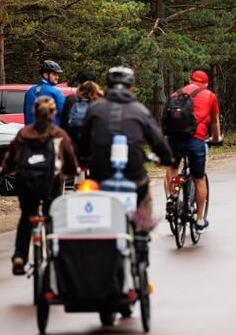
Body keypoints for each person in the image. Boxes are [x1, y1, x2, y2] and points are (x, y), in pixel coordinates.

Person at [78, 67, 175, 227]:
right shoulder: (140, 110)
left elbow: (82, 142)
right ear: (131, 87)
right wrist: (167, 158)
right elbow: (157, 140)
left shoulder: (95, 109)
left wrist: (83, 158)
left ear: (107, 86)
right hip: (133, 173)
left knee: (91, 203)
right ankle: (142, 235)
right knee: (144, 192)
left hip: (101, 173)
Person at [2, 96, 79, 275]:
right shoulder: (59, 134)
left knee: (27, 217)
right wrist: (71, 171)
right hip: (51, 184)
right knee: (52, 216)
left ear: (33, 112)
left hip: (26, 183)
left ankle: (20, 256)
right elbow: (71, 162)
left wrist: (5, 170)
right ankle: (55, 254)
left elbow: (10, 159)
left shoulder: (23, 134)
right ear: (53, 113)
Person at [163, 70, 222, 233]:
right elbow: (215, 122)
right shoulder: (210, 95)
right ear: (207, 83)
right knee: (199, 178)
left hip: (174, 139)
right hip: (196, 140)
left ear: (190, 80)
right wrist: (216, 139)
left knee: (172, 169)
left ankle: (172, 197)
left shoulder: (177, 93)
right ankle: (200, 219)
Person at [61, 71, 103, 153]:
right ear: (95, 85)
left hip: (73, 147)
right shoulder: (100, 101)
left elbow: (63, 124)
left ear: (79, 84)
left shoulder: (70, 99)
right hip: (93, 148)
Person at [24, 60, 67, 127]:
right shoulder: (55, 92)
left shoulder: (29, 91)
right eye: (54, 74)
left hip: (31, 133)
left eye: (57, 75)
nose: (57, 77)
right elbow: (65, 114)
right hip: (50, 134)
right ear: (46, 75)